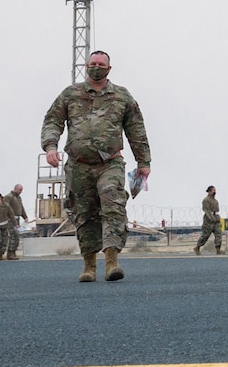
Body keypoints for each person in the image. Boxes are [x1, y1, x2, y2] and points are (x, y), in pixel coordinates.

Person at [40, 50, 152, 283]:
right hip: (78, 166)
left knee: (113, 205)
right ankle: (89, 265)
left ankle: (112, 262)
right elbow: (53, 120)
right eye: (92, 63)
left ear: (109, 69)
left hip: (110, 163)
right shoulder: (70, 94)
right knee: (84, 213)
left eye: (101, 64)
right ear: (86, 66)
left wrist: (144, 162)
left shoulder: (122, 96)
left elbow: (136, 130)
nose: (96, 67)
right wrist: (51, 147)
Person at [0, 184, 26, 260]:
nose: (21, 192)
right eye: (20, 190)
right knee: (13, 235)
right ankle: (10, 253)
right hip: (10, 220)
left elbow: (21, 208)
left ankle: (13, 252)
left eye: (21, 190)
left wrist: (25, 217)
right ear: (15, 188)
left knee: (16, 236)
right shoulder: (9, 197)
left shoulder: (18, 198)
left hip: (17, 219)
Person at [196, 186, 224, 255]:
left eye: (215, 190)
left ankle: (218, 249)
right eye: (213, 190)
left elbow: (217, 210)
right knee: (205, 235)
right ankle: (197, 247)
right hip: (208, 220)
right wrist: (212, 219)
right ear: (209, 191)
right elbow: (207, 210)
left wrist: (217, 218)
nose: (214, 192)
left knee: (218, 234)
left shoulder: (215, 201)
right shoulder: (206, 200)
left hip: (216, 219)